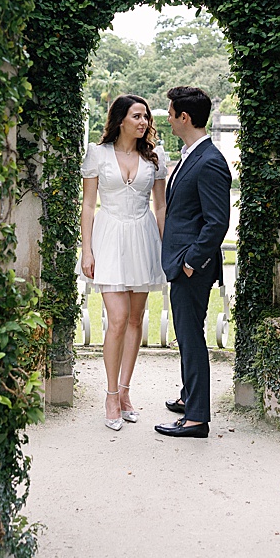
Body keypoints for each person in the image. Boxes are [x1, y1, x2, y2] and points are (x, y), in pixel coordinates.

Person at [80, 94, 169, 431]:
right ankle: (110, 394)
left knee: (135, 320)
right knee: (116, 319)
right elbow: (88, 206)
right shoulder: (98, 154)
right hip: (109, 237)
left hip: (143, 237)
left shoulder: (156, 156)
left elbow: (160, 207)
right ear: (120, 119)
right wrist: (87, 250)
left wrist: (166, 247)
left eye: (146, 116)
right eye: (137, 116)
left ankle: (127, 392)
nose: (143, 122)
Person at [155, 85, 231, 440]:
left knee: (190, 337)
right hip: (183, 263)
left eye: (170, 113)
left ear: (184, 117)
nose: (167, 119)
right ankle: (189, 398)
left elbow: (217, 221)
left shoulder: (211, 161)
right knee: (187, 336)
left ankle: (197, 419)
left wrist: (191, 261)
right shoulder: (191, 154)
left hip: (192, 266)